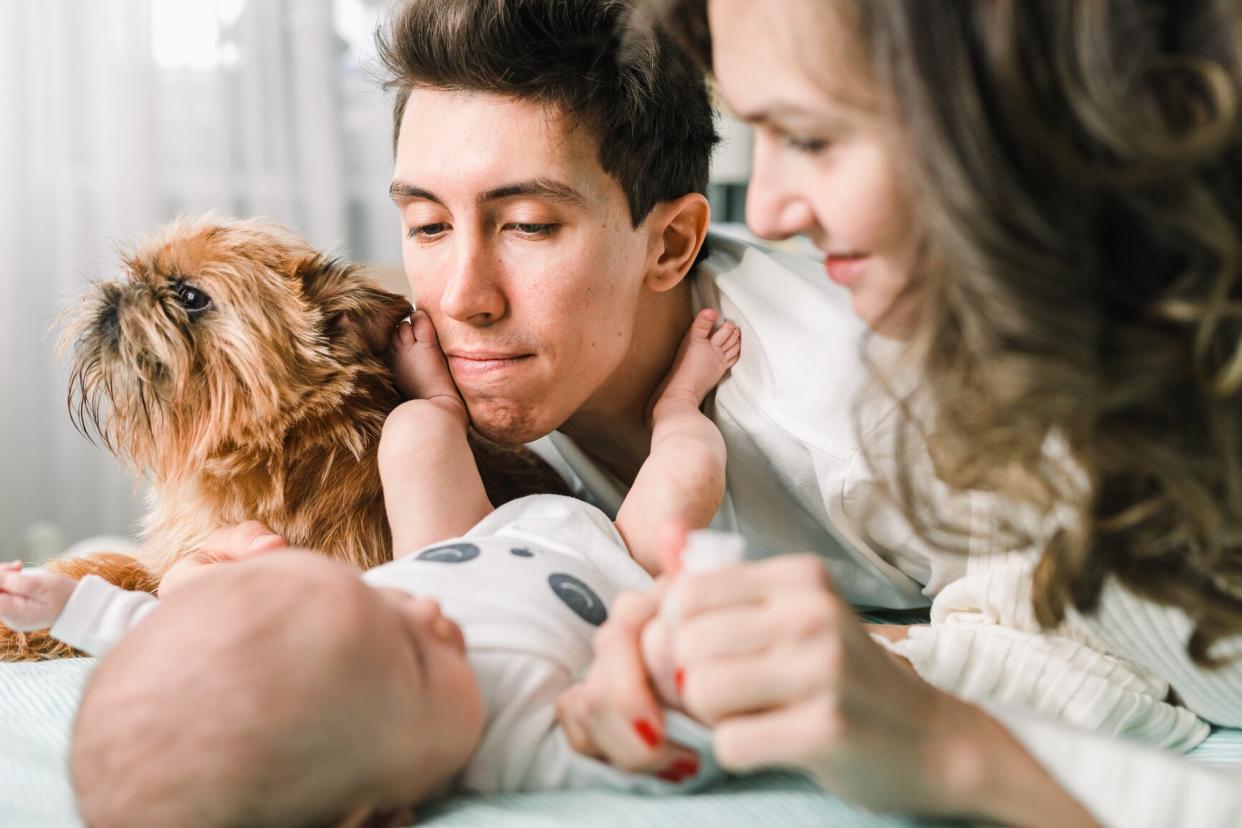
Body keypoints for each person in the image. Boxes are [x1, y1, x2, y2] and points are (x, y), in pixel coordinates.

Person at [557, 0, 1242, 826]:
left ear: (1023, 107)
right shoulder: (1073, 390)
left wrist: (954, 753)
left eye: (809, 137)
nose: (768, 212)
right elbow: (1063, 621)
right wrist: (868, 675)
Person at [0, 308, 738, 826]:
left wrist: (63, 603)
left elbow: (161, 634)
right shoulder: (518, 748)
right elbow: (694, 753)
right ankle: (678, 401)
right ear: (382, 814)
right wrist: (652, 722)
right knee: (687, 467)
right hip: (615, 558)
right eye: (416, 657)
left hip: (462, 543)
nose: (427, 614)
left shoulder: (347, 640)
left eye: (383, 605)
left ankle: (437, 400)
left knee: (413, 437)